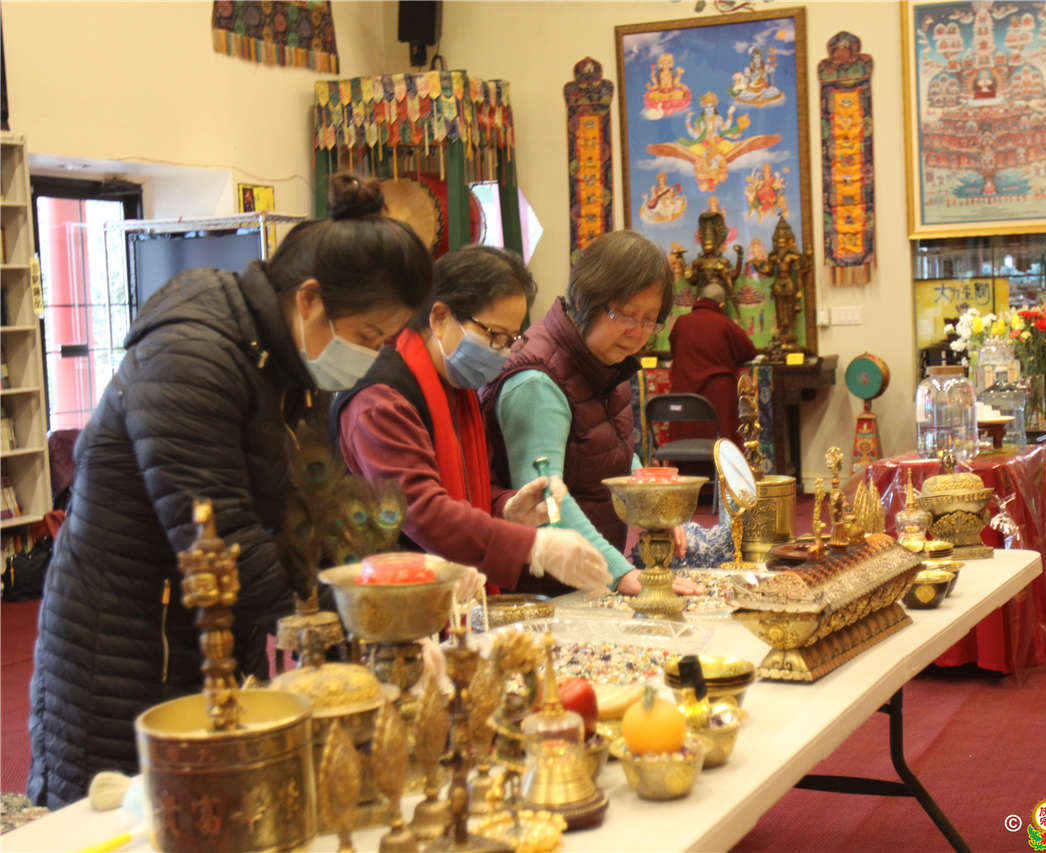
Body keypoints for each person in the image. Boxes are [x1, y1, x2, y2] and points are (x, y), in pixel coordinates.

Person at [27, 174, 433, 809]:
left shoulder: (280, 358)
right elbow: (221, 538)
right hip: (125, 651)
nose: (371, 356)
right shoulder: (192, 355)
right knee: (120, 824)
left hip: (205, 640)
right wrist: (356, 628)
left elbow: (308, 511)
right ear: (309, 300)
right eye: (368, 337)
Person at [332, 245, 611, 592]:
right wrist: (532, 545)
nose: (502, 352)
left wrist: (507, 509)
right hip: (381, 598)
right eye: (493, 335)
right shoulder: (381, 400)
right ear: (439, 317)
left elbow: (469, 491)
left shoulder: (457, 389)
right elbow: (421, 509)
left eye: (511, 340)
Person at [481, 230, 697, 596]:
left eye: (650, 320)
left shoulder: (605, 360)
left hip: (583, 576)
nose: (638, 332)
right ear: (587, 300)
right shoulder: (537, 381)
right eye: (626, 314)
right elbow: (546, 502)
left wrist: (651, 502)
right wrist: (621, 573)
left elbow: (608, 447)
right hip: (540, 586)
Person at [668, 282, 758, 446]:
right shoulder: (724, 323)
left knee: (684, 444)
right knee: (720, 444)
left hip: (684, 394)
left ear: (699, 299)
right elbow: (749, 351)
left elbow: (674, 350)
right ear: (722, 305)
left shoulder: (681, 323)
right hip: (718, 396)